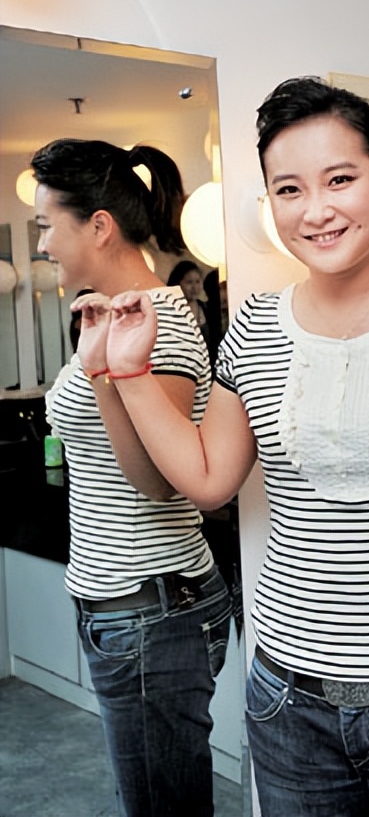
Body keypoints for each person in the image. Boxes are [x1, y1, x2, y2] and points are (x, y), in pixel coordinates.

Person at [75, 78, 369, 817]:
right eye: (288, 189)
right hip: (289, 704)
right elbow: (208, 479)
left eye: (340, 179)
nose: (316, 210)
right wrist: (129, 373)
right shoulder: (254, 328)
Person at [32, 138, 231, 817]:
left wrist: (107, 376)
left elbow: (159, 481)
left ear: (98, 226)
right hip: (125, 604)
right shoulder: (111, 312)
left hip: (151, 609)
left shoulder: (158, 325)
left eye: (47, 226)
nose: (43, 245)